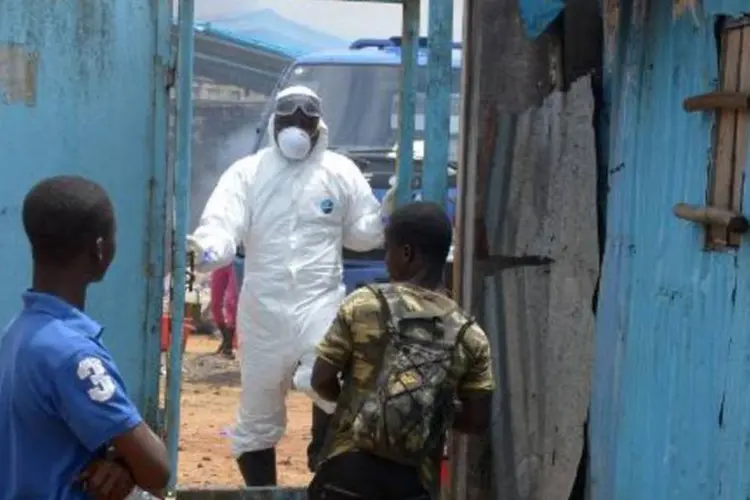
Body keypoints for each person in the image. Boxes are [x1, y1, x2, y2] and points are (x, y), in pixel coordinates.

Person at [187, 85, 394, 486]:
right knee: (257, 414)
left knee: (324, 380)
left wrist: (388, 211)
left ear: (319, 125)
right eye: (289, 117)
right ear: (275, 122)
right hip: (263, 311)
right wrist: (207, 249)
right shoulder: (248, 173)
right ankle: (262, 492)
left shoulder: (340, 171)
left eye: (306, 118)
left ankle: (326, 472)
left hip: (320, 303)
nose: (297, 125)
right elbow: (223, 224)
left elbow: (363, 235)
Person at [308, 202, 495, 500]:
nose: (385, 259)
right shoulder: (469, 335)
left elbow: (320, 380)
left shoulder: (363, 305)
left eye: (388, 250)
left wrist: (361, 398)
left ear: (407, 253)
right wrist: (426, 404)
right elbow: (476, 420)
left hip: (346, 474)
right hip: (413, 484)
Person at [0, 176, 171, 498]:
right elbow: (157, 469)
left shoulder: (17, 333)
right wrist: (126, 460)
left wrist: (113, 459)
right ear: (100, 249)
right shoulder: (74, 354)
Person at [210, 262, 238, 358]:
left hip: (237, 260)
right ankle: (226, 339)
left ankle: (229, 344)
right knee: (215, 304)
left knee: (231, 302)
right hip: (221, 259)